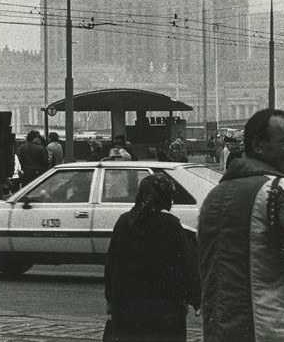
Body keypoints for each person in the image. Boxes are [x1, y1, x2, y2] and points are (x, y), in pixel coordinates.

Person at [198, 109, 284, 342]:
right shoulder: (277, 190)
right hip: (268, 329)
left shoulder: (214, 196)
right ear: (258, 145)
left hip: (220, 332)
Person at [105, 173, 201, 342]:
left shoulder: (124, 222)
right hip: (165, 310)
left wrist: (111, 300)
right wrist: (196, 298)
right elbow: (186, 265)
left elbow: (112, 265)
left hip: (127, 308)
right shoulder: (170, 224)